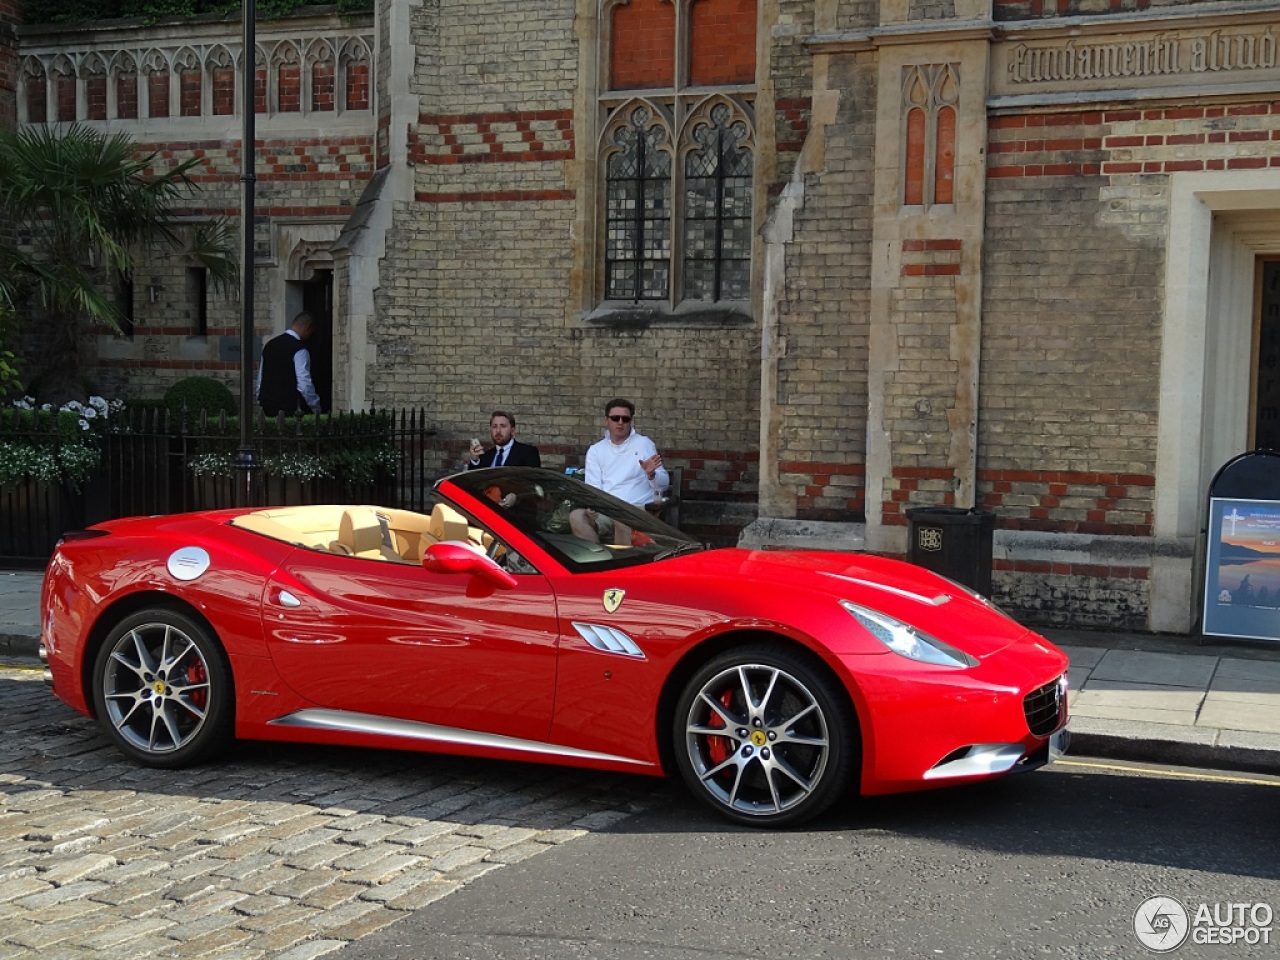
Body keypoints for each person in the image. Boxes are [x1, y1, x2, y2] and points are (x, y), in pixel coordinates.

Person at [570, 397, 668, 543]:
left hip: (637, 510)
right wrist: (595, 507)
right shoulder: (596, 450)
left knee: (623, 519)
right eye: (615, 418)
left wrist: (652, 474)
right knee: (576, 516)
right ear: (606, 420)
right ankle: (596, 559)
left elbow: (664, 484)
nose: (620, 422)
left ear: (631, 421)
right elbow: (593, 487)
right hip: (607, 510)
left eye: (625, 419)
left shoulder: (644, 444)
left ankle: (623, 562)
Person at [256, 311, 323, 416]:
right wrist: (315, 406)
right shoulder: (299, 350)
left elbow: (261, 376)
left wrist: (260, 396)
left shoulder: (270, 345)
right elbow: (304, 383)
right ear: (307, 328)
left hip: (268, 405)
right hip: (290, 407)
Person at [466, 410, 541, 469]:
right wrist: (475, 459)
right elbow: (473, 482)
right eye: (494, 426)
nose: (498, 431)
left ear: (512, 430)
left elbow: (531, 482)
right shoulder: (485, 456)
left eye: (503, 426)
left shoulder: (528, 453)